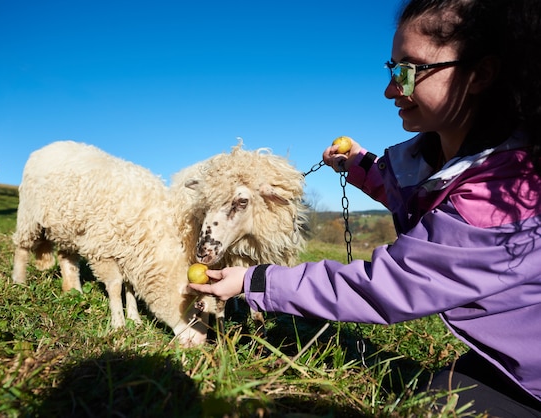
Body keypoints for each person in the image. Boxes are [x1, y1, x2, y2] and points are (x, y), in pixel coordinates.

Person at [189, 0, 541, 416]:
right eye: (392, 70)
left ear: (480, 73)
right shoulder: (445, 155)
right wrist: (357, 165)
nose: (391, 90)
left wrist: (257, 281)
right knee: (434, 395)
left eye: (410, 71)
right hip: (512, 361)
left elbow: (394, 283)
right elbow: (412, 190)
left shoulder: (511, 190)